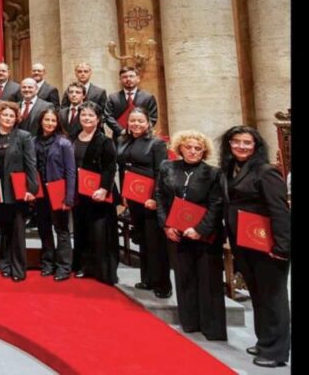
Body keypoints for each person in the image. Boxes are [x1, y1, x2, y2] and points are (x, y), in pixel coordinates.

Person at [219, 126, 290, 367]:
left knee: (273, 298)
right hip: (244, 242)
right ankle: (264, 341)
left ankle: (277, 352)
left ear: (256, 146)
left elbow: (280, 211)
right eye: (236, 141)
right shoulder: (230, 169)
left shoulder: (266, 171)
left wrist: (282, 247)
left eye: (246, 143)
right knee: (258, 295)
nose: (241, 146)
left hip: (267, 244)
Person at [155, 131, 226, 341]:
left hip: (204, 235)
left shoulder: (213, 173)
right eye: (189, 147)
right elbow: (159, 196)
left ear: (204, 151)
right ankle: (190, 322)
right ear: (180, 148)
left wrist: (199, 229)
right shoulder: (167, 167)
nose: (193, 151)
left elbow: (216, 204)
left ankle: (211, 327)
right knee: (184, 277)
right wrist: (166, 225)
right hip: (176, 232)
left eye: (198, 148)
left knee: (208, 280)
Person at [117, 108, 171, 298]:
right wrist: (124, 193)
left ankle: (162, 284)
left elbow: (161, 173)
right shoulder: (124, 140)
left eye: (140, 121)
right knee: (142, 238)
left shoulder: (156, 144)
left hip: (150, 199)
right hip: (133, 197)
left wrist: (155, 199)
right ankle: (147, 279)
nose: (136, 124)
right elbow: (123, 168)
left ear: (148, 123)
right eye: (132, 121)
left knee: (155, 241)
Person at [0, 101, 39, 282]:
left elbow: (31, 164)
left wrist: (32, 189)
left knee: (17, 231)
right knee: (3, 227)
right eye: (5, 115)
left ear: (16, 118)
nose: (8, 118)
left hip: (17, 190)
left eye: (12, 116)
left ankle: (18, 269)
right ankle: (5, 264)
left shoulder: (23, 136)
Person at [71, 102, 118, 284]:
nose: (86, 118)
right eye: (83, 115)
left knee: (99, 233)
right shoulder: (74, 137)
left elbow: (109, 167)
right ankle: (84, 266)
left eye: (91, 116)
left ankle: (103, 270)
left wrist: (104, 189)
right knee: (81, 230)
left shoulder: (104, 141)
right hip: (79, 193)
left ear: (98, 119)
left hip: (99, 193)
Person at [33, 108, 76, 281]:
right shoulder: (33, 141)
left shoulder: (64, 143)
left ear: (58, 123)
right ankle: (48, 263)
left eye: (53, 120)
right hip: (40, 191)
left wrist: (69, 197)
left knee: (61, 229)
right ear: (41, 121)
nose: (50, 123)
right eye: (47, 120)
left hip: (58, 191)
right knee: (44, 228)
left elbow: (71, 171)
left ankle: (64, 267)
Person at [104, 66, 158, 139]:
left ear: (138, 79)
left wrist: (139, 131)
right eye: (124, 77)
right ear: (120, 80)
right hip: (119, 137)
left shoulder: (148, 97)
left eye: (131, 76)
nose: (128, 79)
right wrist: (121, 131)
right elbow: (108, 117)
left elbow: (153, 117)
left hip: (142, 137)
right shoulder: (113, 97)